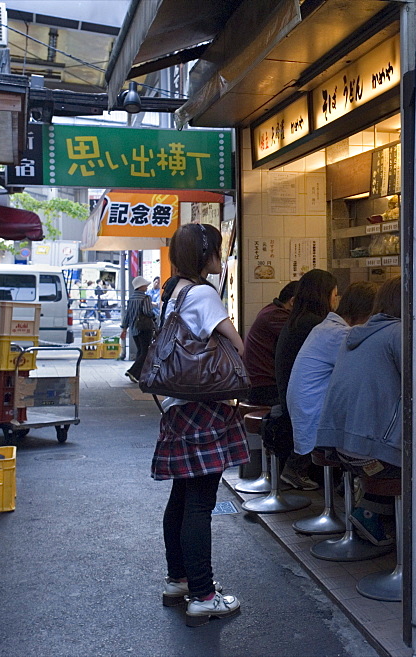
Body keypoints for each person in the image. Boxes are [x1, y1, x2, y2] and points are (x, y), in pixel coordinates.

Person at [152, 222, 249, 627]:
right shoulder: (203, 293)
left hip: (177, 405)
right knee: (200, 504)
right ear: (205, 253)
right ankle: (204, 595)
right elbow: (236, 343)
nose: (221, 256)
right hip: (204, 408)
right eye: (218, 249)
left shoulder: (171, 291)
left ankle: (179, 580)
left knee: (181, 499)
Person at [316, 277, 402, 546]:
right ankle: (377, 518)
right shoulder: (399, 333)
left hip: (339, 447)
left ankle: (370, 511)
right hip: (372, 456)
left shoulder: (356, 333)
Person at [287, 281, 378, 457]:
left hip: (306, 415)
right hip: (316, 422)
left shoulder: (326, 328)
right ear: (365, 313)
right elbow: (367, 371)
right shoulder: (340, 335)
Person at [273, 269, 339, 491]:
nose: (335, 300)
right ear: (324, 295)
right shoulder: (314, 325)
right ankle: (300, 469)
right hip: (296, 401)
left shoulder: (297, 319)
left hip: (286, 393)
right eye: (334, 294)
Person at [243, 280, 299, 406]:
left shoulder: (271, 310)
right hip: (265, 389)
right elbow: (300, 340)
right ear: (293, 301)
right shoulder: (276, 315)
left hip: (260, 386)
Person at [121, 276, 158, 383]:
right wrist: (154, 316)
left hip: (134, 328)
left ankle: (138, 375)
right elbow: (148, 312)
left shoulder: (131, 298)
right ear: (141, 286)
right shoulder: (145, 298)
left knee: (140, 351)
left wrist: (124, 328)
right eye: (145, 285)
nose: (147, 287)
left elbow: (127, 315)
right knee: (145, 351)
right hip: (144, 328)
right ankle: (132, 371)